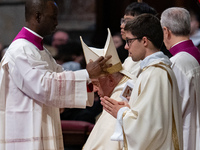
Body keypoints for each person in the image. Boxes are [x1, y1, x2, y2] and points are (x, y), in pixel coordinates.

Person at [0, 0, 112, 150]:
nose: (57, 22)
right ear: (38, 16)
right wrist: (86, 74)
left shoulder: (38, 49)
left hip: (41, 121)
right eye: (53, 17)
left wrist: (90, 83)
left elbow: (59, 76)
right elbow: (44, 85)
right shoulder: (21, 50)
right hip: (26, 129)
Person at [101, 14, 183, 150]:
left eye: (129, 41)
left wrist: (121, 113)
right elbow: (150, 114)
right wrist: (128, 107)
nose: (126, 47)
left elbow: (150, 127)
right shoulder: (152, 70)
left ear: (144, 41)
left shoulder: (156, 73)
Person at [161, 7, 200, 150]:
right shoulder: (195, 53)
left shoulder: (178, 62)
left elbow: (173, 108)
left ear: (166, 31)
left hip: (186, 135)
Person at [83, 58, 137, 150]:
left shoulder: (117, 99)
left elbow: (106, 144)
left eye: (96, 83)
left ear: (111, 80)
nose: (95, 89)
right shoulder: (125, 88)